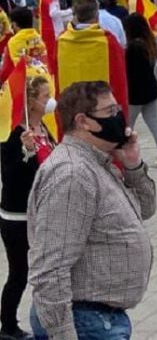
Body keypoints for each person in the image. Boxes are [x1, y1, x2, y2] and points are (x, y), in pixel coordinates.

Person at [28, 81, 155, 339]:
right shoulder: (72, 174)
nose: (119, 117)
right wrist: (63, 334)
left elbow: (146, 208)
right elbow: (49, 268)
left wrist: (132, 165)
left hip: (101, 319)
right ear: (84, 121)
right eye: (110, 112)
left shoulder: (97, 161)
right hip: (83, 321)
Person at [0, 75, 55, 340]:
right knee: (19, 273)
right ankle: (8, 326)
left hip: (43, 213)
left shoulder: (43, 126)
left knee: (47, 271)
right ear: (31, 101)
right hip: (18, 218)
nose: (50, 100)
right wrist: (27, 153)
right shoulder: (14, 134)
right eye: (46, 96)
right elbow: (10, 178)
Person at [122, 13, 157, 170]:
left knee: (127, 126)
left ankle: (124, 158)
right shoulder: (149, 44)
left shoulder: (131, 48)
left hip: (134, 93)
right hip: (151, 90)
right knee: (154, 123)